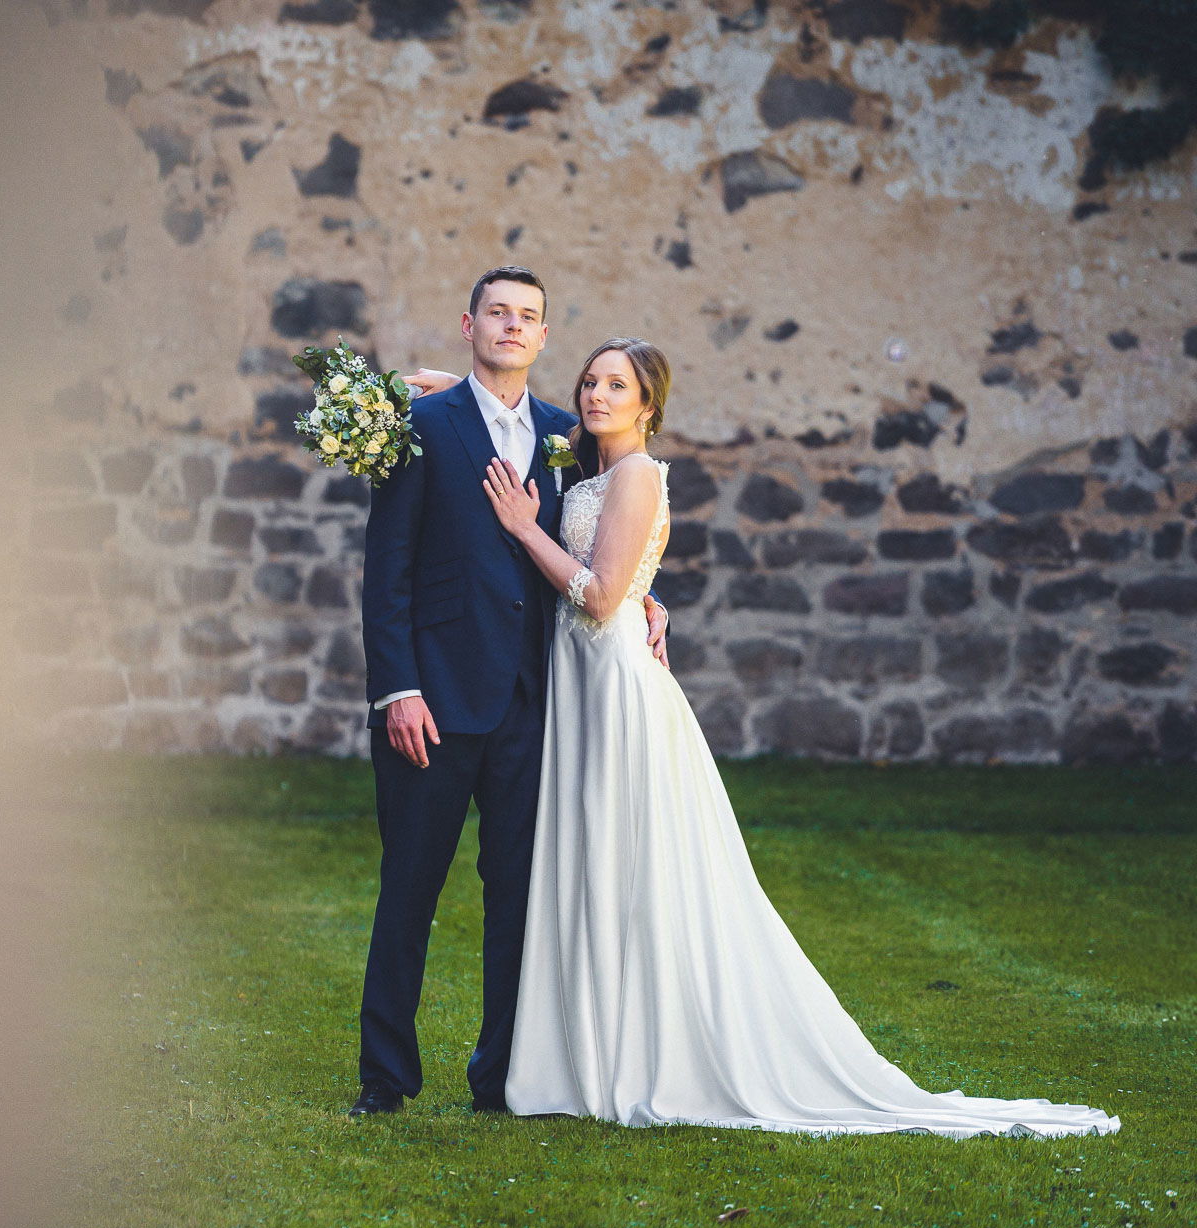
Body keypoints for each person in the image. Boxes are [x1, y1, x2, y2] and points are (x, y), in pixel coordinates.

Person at [440, 334, 1117, 1137]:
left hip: (613, 683)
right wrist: (453, 386)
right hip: (581, 686)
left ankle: (642, 1052)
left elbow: (597, 594)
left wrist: (525, 529)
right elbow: (542, 461)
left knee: (628, 859)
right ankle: (585, 1051)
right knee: (589, 860)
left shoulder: (635, 477)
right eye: (589, 381)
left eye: (615, 385)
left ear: (647, 404)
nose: (595, 396)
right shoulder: (583, 470)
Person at [349, 268, 669, 1118]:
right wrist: (398, 690)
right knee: (409, 890)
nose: (512, 327)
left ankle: (500, 1079)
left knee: (519, 903)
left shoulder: (569, 435)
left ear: (543, 337)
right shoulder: (418, 428)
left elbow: (612, 535)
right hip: (436, 702)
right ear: (470, 324)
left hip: (536, 708)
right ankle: (385, 1078)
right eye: (498, 313)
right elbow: (388, 576)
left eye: (528, 317)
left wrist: (647, 598)